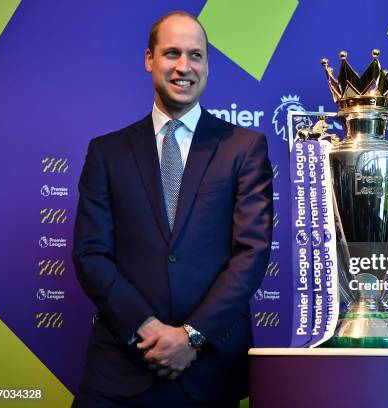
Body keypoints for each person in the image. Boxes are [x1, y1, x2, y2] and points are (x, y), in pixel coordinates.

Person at [72, 10, 273, 407]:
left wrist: (191, 336)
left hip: (210, 372)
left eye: (196, 56)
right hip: (121, 368)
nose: (185, 67)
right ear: (150, 59)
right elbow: (91, 254)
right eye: (172, 54)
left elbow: (251, 253)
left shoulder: (244, 147)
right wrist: (146, 328)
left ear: (207, 64)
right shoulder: (107, 152)